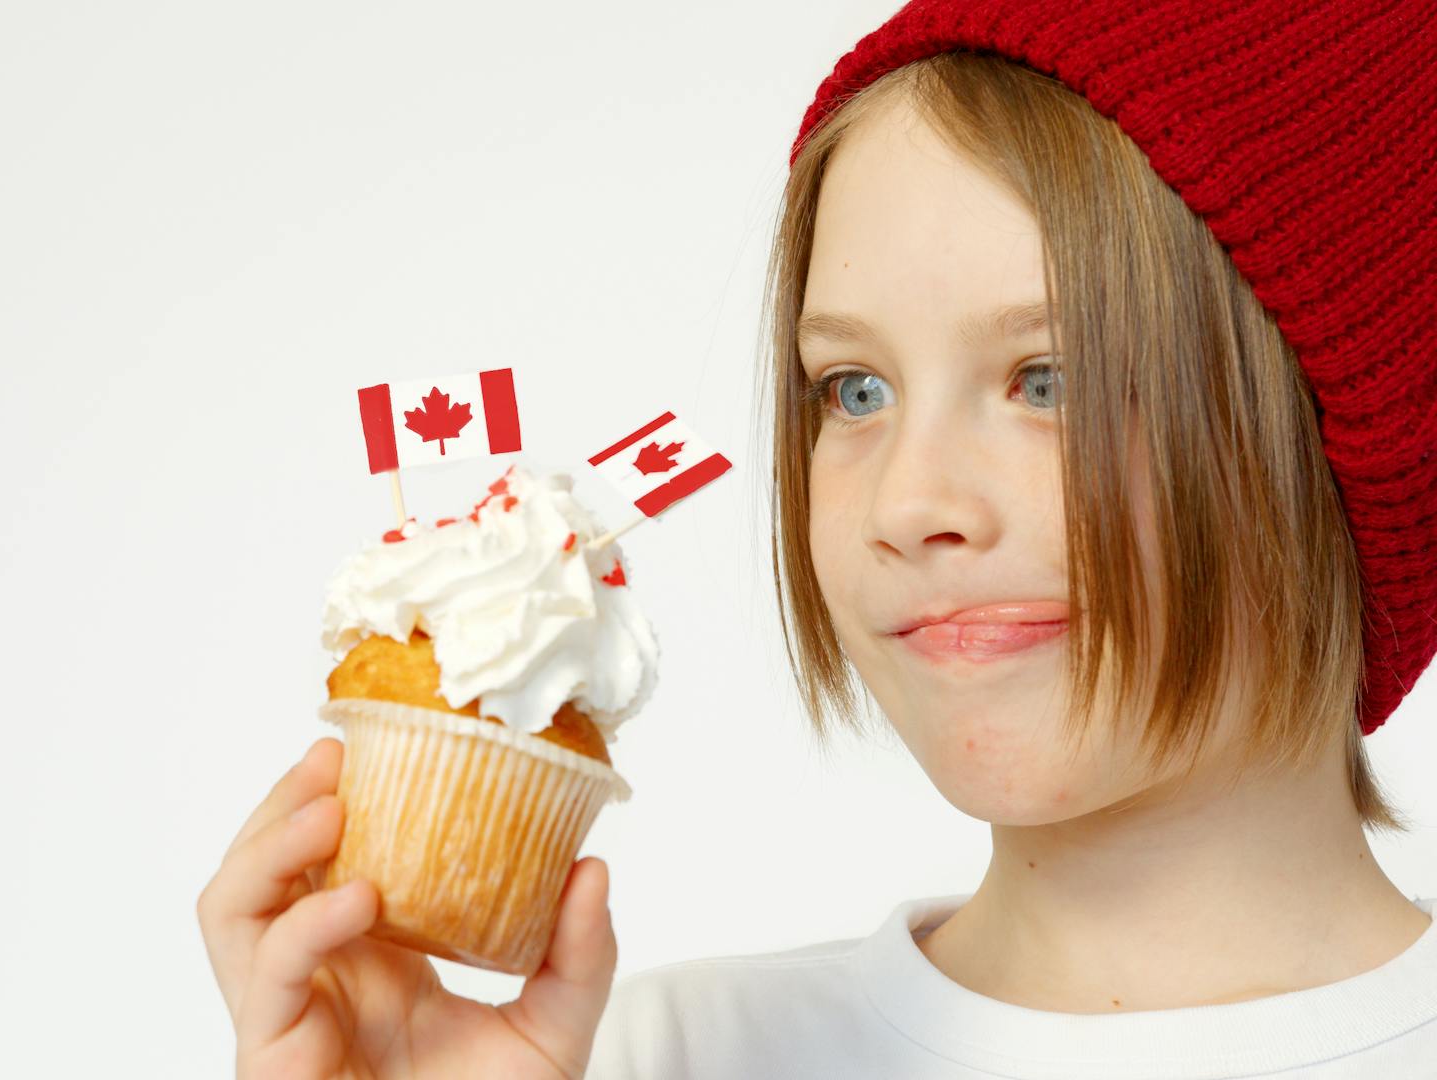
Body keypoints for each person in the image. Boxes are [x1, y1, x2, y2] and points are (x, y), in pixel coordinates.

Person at [198, 2, 1437, 1075]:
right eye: (853, 390)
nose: (909, 504)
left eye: (1049, 380)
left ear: (1346, 431)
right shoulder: (646, 1061)